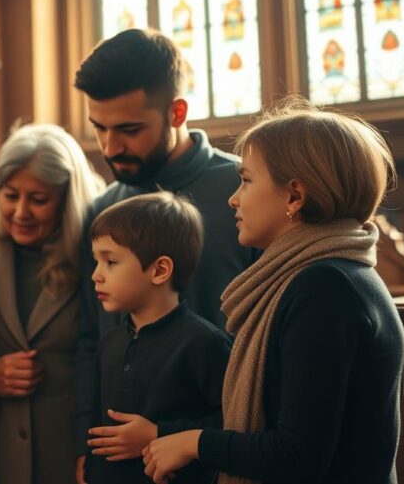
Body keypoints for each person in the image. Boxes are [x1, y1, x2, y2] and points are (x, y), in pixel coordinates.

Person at [142, 99, 404, 484]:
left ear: (294, 196)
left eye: (246, 180)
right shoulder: (335, 273)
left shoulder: (325, 288)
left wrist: (195, 443)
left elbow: (298, 455)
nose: (234, 198)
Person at [72, 28, 256, 479]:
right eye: (100, 129)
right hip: (120, 461)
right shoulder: (103, 209)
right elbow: (90, 338)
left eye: (129, 130)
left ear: (177, 112)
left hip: (224, 451)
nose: (111, 148)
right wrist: (86, 442)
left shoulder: (246, 192)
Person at [0, 123, 104, 483]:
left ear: (67, 200)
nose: (20, 212)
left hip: (75, 457)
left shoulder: (97, 263)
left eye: (38, 199)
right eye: (10, 195)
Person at [85, 192, 230, 484]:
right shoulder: (110, 342)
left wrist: (158, 434)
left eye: (110, 262)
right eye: (96, 261)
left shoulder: (205, 343)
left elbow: (233, 423)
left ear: (160, 270)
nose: (95, 276)